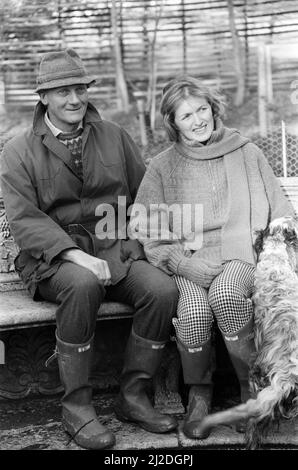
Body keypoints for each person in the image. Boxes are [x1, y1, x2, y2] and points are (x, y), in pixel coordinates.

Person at [0, 49, 179, 450]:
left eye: (80, 88)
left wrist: (136, 241)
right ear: (43, 97)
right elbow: (26, 221)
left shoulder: (115, 136)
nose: (74, 99)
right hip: (53, 261)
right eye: (62, 91)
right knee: (82, 284)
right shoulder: (17, 151)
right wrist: (76, 255)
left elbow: (144, 196)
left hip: (116, 250)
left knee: (163, 290)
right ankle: (76, 407)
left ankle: (133, 397)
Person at [132, 76, 294, 440]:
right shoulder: (162, 166)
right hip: (188, 257)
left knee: (224, 294)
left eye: (202, 109)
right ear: (173, 122)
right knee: (192, 311)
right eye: (186, 115)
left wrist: (277, 250)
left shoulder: (246, 152)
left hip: (240, 250)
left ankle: (249, 390)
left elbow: (280, 208)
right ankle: (199, 396)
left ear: (213, 108)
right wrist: (182, 263)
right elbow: (148, 225)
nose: (198, 120)